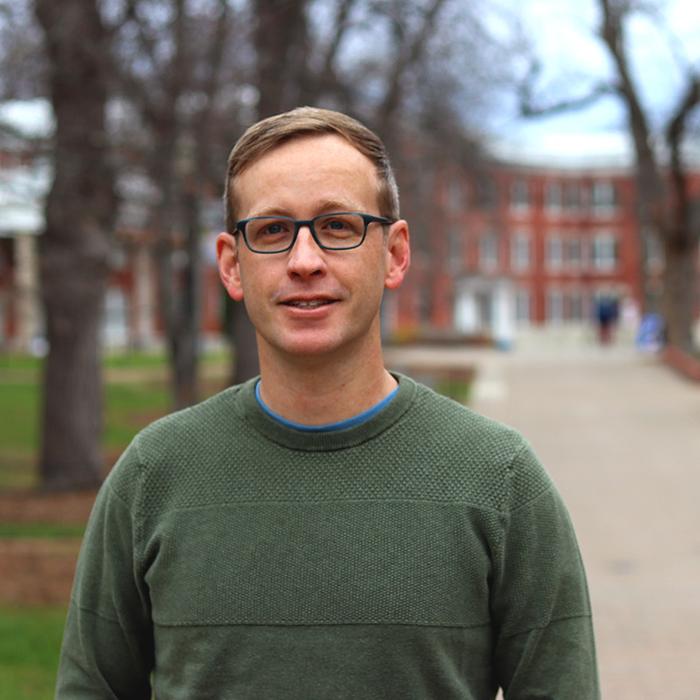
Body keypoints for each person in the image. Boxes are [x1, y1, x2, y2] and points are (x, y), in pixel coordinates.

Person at [55, 107, 600, 699]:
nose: (305, 260)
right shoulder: (153, 476)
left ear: (394, 253)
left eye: (338, 226)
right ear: (232, 266)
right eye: (271, 231)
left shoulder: (499, 478)